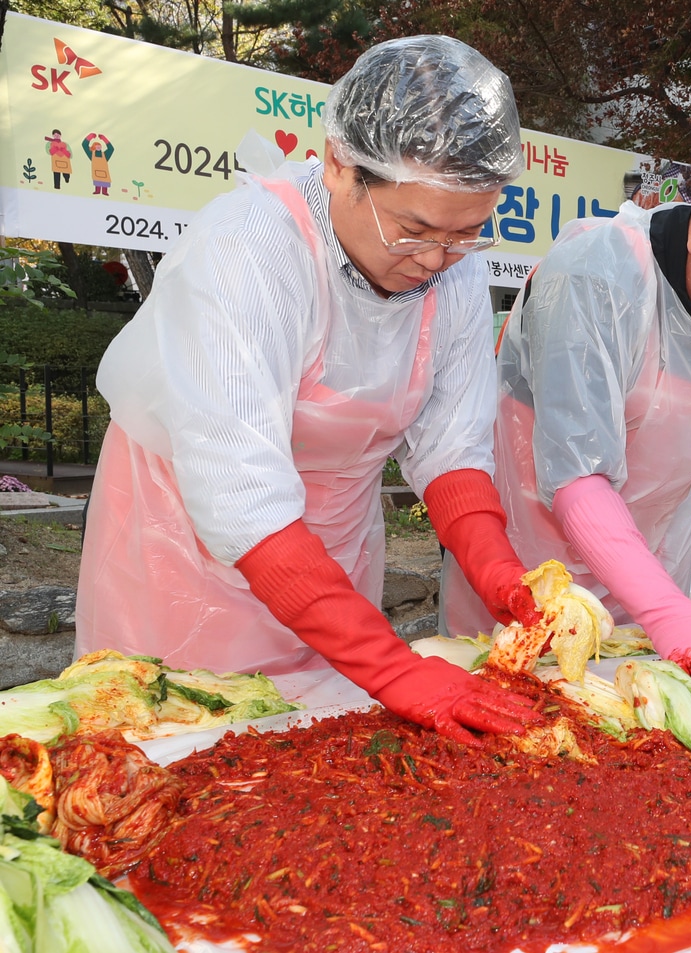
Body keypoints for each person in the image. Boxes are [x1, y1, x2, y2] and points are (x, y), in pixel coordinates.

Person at [75, 36, 544, 743]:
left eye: (466, 234)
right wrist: (394, 668)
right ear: (338, 166)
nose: (436, 260)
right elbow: (241, 496)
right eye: (413, 228)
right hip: (188, 551)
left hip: (333, 557)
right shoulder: (248, 249)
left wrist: (505, 576)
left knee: (324, 745)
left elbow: (451, 449)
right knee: (184, 748)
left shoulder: (455, 269)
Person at [439, 127, 691, 694]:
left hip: (652, 561)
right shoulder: (595, 274)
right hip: (531, 567)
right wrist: (666, 613)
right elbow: (578, 471)